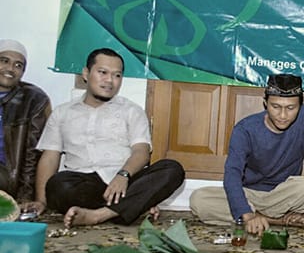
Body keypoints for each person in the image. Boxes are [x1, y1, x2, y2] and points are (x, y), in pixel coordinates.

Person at [19, 48, 185, 227]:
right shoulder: (62, 113)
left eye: (117, 75)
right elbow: (50, 157)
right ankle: (133, 207)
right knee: (58, 185)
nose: (110, 81)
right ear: (86, 73)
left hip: (126, 182)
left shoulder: (131, 111)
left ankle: (99, 215)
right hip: (85, 185)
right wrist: (41, 201)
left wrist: (123, 175)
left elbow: (141, 152)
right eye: (102, 72)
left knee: (172, 169)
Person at [190, 74, 304, 236]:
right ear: (265, 104)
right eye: (276, 107)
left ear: (300, 106)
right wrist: (247, 215)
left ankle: (261, 216)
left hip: (283, 195)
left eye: (290, 108)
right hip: (250, 195)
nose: (283, 115)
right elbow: (232, 174)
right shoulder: (245, 129)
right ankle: (276, 220)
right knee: (198, 200)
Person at [0, 39, 51, 203]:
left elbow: (32, 154)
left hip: (6, 176)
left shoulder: (33, 99)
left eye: (18, 65)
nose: (10, 69)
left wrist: (25, 197)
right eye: (4, 61)